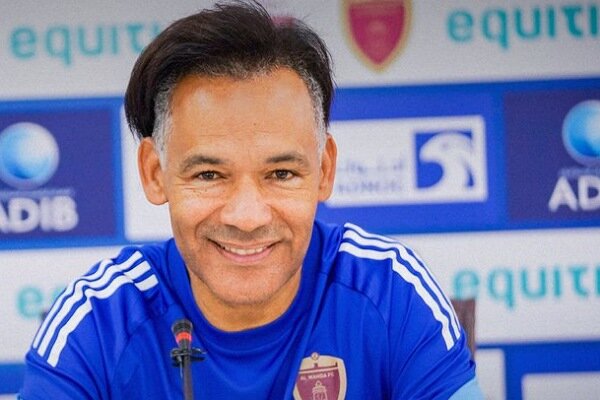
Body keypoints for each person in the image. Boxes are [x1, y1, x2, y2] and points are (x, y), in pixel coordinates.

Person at [20, 1, 483, 399]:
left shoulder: (390, 290)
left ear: (324, 170)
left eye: (281, 174)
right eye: (209, 175)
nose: (247, 217)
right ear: (154, 173)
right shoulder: (99, 321)